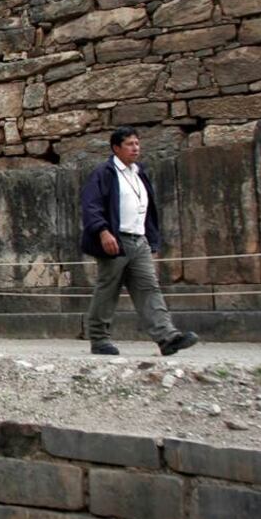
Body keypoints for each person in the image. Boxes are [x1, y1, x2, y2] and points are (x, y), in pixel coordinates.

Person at [80, 127, 199, 356]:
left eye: (137, 143)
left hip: (138, 239)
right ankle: (99, 338)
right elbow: (91, 205)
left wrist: (150, 239)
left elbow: (147, 209)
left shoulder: (138, 172)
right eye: (129, 144)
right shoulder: (104, 173)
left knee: (148, 287)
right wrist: (103, 231)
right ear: (116, 148)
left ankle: (166, 336)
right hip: (115, 238)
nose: (135, 148)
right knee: (108, 289)